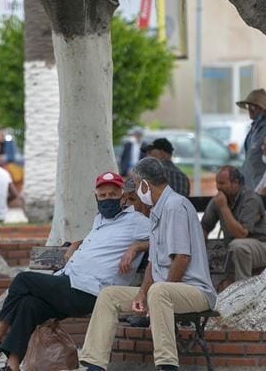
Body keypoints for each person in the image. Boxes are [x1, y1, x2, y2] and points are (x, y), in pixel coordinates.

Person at [0, 172, 150, 371]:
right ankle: (12, 366)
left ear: (123, 196)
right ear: (96, 197)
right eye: (103, 195)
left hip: (90, 291)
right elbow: (103, 243)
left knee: (24, 280)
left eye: (113, 195)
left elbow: (162, 238)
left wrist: (137, 247)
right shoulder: (100, 220)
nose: (108, 199)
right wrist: (77, 244)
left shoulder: (136, 221)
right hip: (70, 284)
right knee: (29, 305)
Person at [78, 158, 216, 371]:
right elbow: (154, 260)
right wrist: (142, 293)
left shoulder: (175, 206)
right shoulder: (156, 210)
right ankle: (94, 365)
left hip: (196, 292)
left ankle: (167, 365)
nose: (134, 194)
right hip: (163, 292)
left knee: (159, 291)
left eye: (136, 184)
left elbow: (182, 257)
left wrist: (162, 290)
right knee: (109, 296)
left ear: (144, 184)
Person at [201, 166, 266, 282]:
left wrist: (224, 208)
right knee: (217, 248)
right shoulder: (220, 199)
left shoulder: (250, 199)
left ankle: (242, 288)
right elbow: (204, 227)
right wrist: (199, 247)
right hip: (231, 246)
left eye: (222, 183)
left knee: (238, 246)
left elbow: (241, 234)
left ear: (235, 183)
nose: (218, 187)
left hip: (262, 246)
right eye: (217, 183)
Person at [236, 89, 266, 189]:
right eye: (248, 106)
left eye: (253, 106)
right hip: (250, 184)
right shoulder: (254, 127)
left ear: (262, 108)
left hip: (265, 184)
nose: (249, 109)